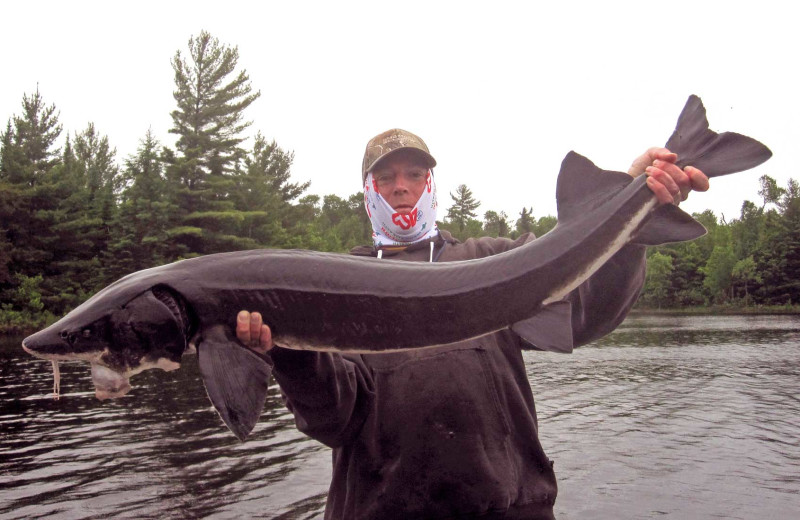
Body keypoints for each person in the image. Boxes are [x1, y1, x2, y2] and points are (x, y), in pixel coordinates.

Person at [236, 129, 708, 519]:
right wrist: (289, 350)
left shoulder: (493, 259)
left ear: (430, 184)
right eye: (386, 177)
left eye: (415, 174)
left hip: (510, 507)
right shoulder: (332, 288)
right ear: (368, 192)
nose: (402, 186)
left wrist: (629, 209)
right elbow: (333, 420)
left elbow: (587, 312)